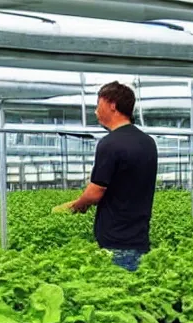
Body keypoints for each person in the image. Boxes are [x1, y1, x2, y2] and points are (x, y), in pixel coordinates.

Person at [54, 81, 158, 271]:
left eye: (98, 104)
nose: (96, 111)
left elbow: (95, 192)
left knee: (117, 291)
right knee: (136, 291)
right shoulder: (148, 143)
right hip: (139, 236)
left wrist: (77, 205)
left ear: (112, 104)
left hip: (115, 239)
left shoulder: (110, 143)